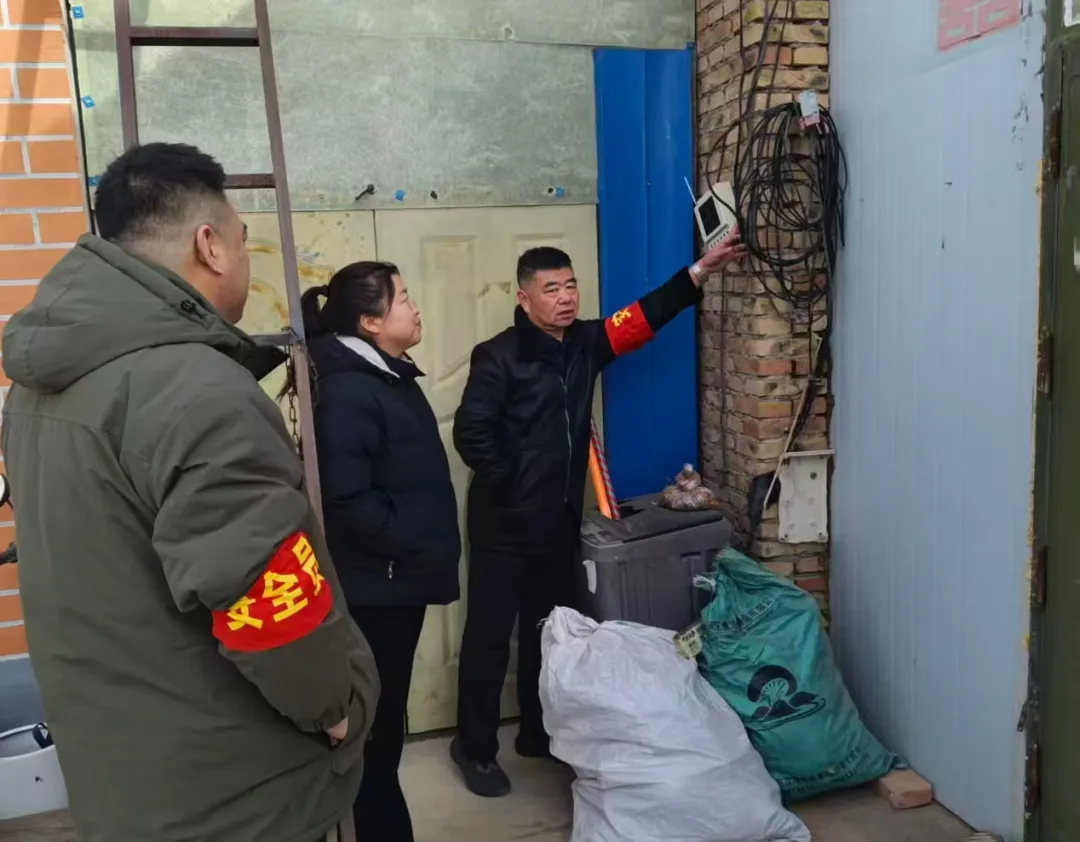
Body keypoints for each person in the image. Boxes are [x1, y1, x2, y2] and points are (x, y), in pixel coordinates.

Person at [0, 142, 379, 842]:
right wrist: (336, 709)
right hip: (233, 794)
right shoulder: (197, 392)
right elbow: (268, 604)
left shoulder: (36, 384)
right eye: (243, 239)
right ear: (209, 245)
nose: (245, 257)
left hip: (120, 775)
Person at [450, 236, 747, 797]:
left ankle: (537, 731)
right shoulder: (499, 355)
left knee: (548, 633)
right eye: (551, 289)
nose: (565, 297)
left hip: (557, 523)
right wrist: (516, 486)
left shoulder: (586, 343)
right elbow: (472, 434)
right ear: (524, 298)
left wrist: (700, 271)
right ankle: (475, 748)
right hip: (504, 526)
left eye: (570, 286)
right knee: (489, 638)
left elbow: (645, 315)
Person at [301, 262, 461, 842]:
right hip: (379, 588)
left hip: (395, 580)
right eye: (404, 299)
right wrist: (409, 542)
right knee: (374, 727)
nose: (415, 309)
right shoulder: (350, 392)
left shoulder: (384, 376)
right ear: (370, 322)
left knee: (384, 721)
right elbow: (346, 499)